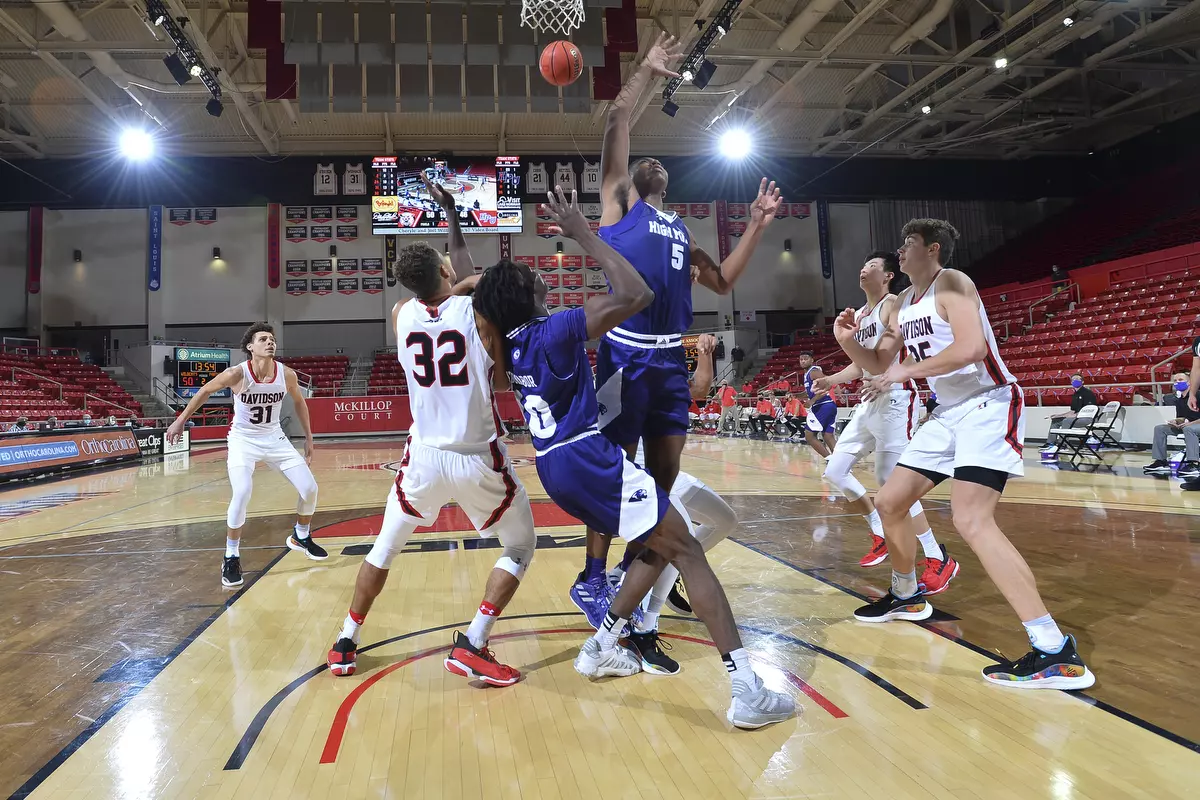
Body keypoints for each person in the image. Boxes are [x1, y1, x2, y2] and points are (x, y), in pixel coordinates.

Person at [474, 186, 793, 728]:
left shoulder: (511, 346)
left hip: (555, 467)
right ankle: (747, 691)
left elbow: (483, 300)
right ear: (524, 296)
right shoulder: (554, 330)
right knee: (689, 549)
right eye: (533, 277)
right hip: (587, 462)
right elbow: (637, 292)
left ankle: (602, 645)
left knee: (660, 543)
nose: (541, 276)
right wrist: (584, 234)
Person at [574, 30, 783, 628]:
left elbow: (723, 282)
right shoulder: (620, 206)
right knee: (615, 469)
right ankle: (591, 576)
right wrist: (646, 71)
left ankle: (634, 572)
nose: (653, 162)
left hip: (669, 361)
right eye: (645, 162)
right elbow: (617, 121)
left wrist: (757, 225)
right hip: (623, 356)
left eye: (661, 164)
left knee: (662, 477)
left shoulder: (681, 231)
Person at [834, 218, 1094, 689]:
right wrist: (848, 341)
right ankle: (907, 595)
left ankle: (1055, 650)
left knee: (971, 519)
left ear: (933, 249)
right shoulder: (904, 302)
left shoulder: (952, 282)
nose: (900, 250)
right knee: (890, 502)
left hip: (989, 403)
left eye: (909, 242)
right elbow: (880, 363)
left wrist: (905, 371)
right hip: (947, 413)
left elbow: (972, 348)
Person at [326, 178, 538, 685]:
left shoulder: (400, 315)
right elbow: (497, 367)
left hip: (421, 455)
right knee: (519, 547)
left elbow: (447, 291)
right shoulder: (479, 313)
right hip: (475, 454)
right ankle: (475, 642)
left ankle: (345, 642)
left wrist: (453, 268)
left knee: (384, 548)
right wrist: (454, 218)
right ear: (445, 270)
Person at [815, 251, 957, 590]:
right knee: (835, 470)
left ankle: (937, 556)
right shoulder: (860, 314)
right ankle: (880, 532)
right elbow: (861, 364)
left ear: (888, 275)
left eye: (872, 266)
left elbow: (899, 356)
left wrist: (876, 368)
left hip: (896, 398)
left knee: (892, 485)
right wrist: (830, 380)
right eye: (863, 265)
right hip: (868, 402)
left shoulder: (893, 304)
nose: (863, 269)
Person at [166, 322, 324, 588]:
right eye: (263, 339)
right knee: (242, 492)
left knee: (310, 488)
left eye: (272, 339)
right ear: (250, 347)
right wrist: (180, 420)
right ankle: (231, 555)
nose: (270, 342)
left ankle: (301, 535)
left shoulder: (286, 374)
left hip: (275, 438)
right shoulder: (237, 373)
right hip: (243, 441)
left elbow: (299, 401)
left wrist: (309, 438)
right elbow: (204, 391)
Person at [1143, 372, 1200, 478]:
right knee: (1160, 428)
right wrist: (1176, 421)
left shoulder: (1197, 395)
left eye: (1180, 380)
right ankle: (1161, 462)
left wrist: (1190, 424)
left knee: (1189, 429)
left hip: (1194, 426)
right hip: (1187, 426)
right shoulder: (1179, 399)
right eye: (1175, 381)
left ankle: (1194, 464)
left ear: (1189, 382)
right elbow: (1182, 417)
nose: (1177, 382)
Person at [1039, 373, 1098, 458]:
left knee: (1067, 421)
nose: (1075, 381)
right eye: (1073, 379)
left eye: (1077, 379)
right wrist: (1059, 415)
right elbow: (1073, 411)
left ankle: (1063, 445)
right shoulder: (1075, 395)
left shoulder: (1088, 393)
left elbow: (1088, 411)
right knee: (1056, 420)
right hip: (1077, 417)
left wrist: (1071, 416)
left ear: (1082, 381)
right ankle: (1051, 443)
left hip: (1088, 418)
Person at [799, 354, 837, 457]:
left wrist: (812, 401)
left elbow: (828, 384)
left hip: (823, 405)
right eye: (801, 359)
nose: (803, 361)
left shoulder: (814, 371)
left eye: (805, 359)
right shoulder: (807, 374)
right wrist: (796, 395)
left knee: (809, 436)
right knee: (828, 436)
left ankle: (829, 459)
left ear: (812, 360)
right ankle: (840, 462)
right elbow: (810, 392)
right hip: (827, 405)